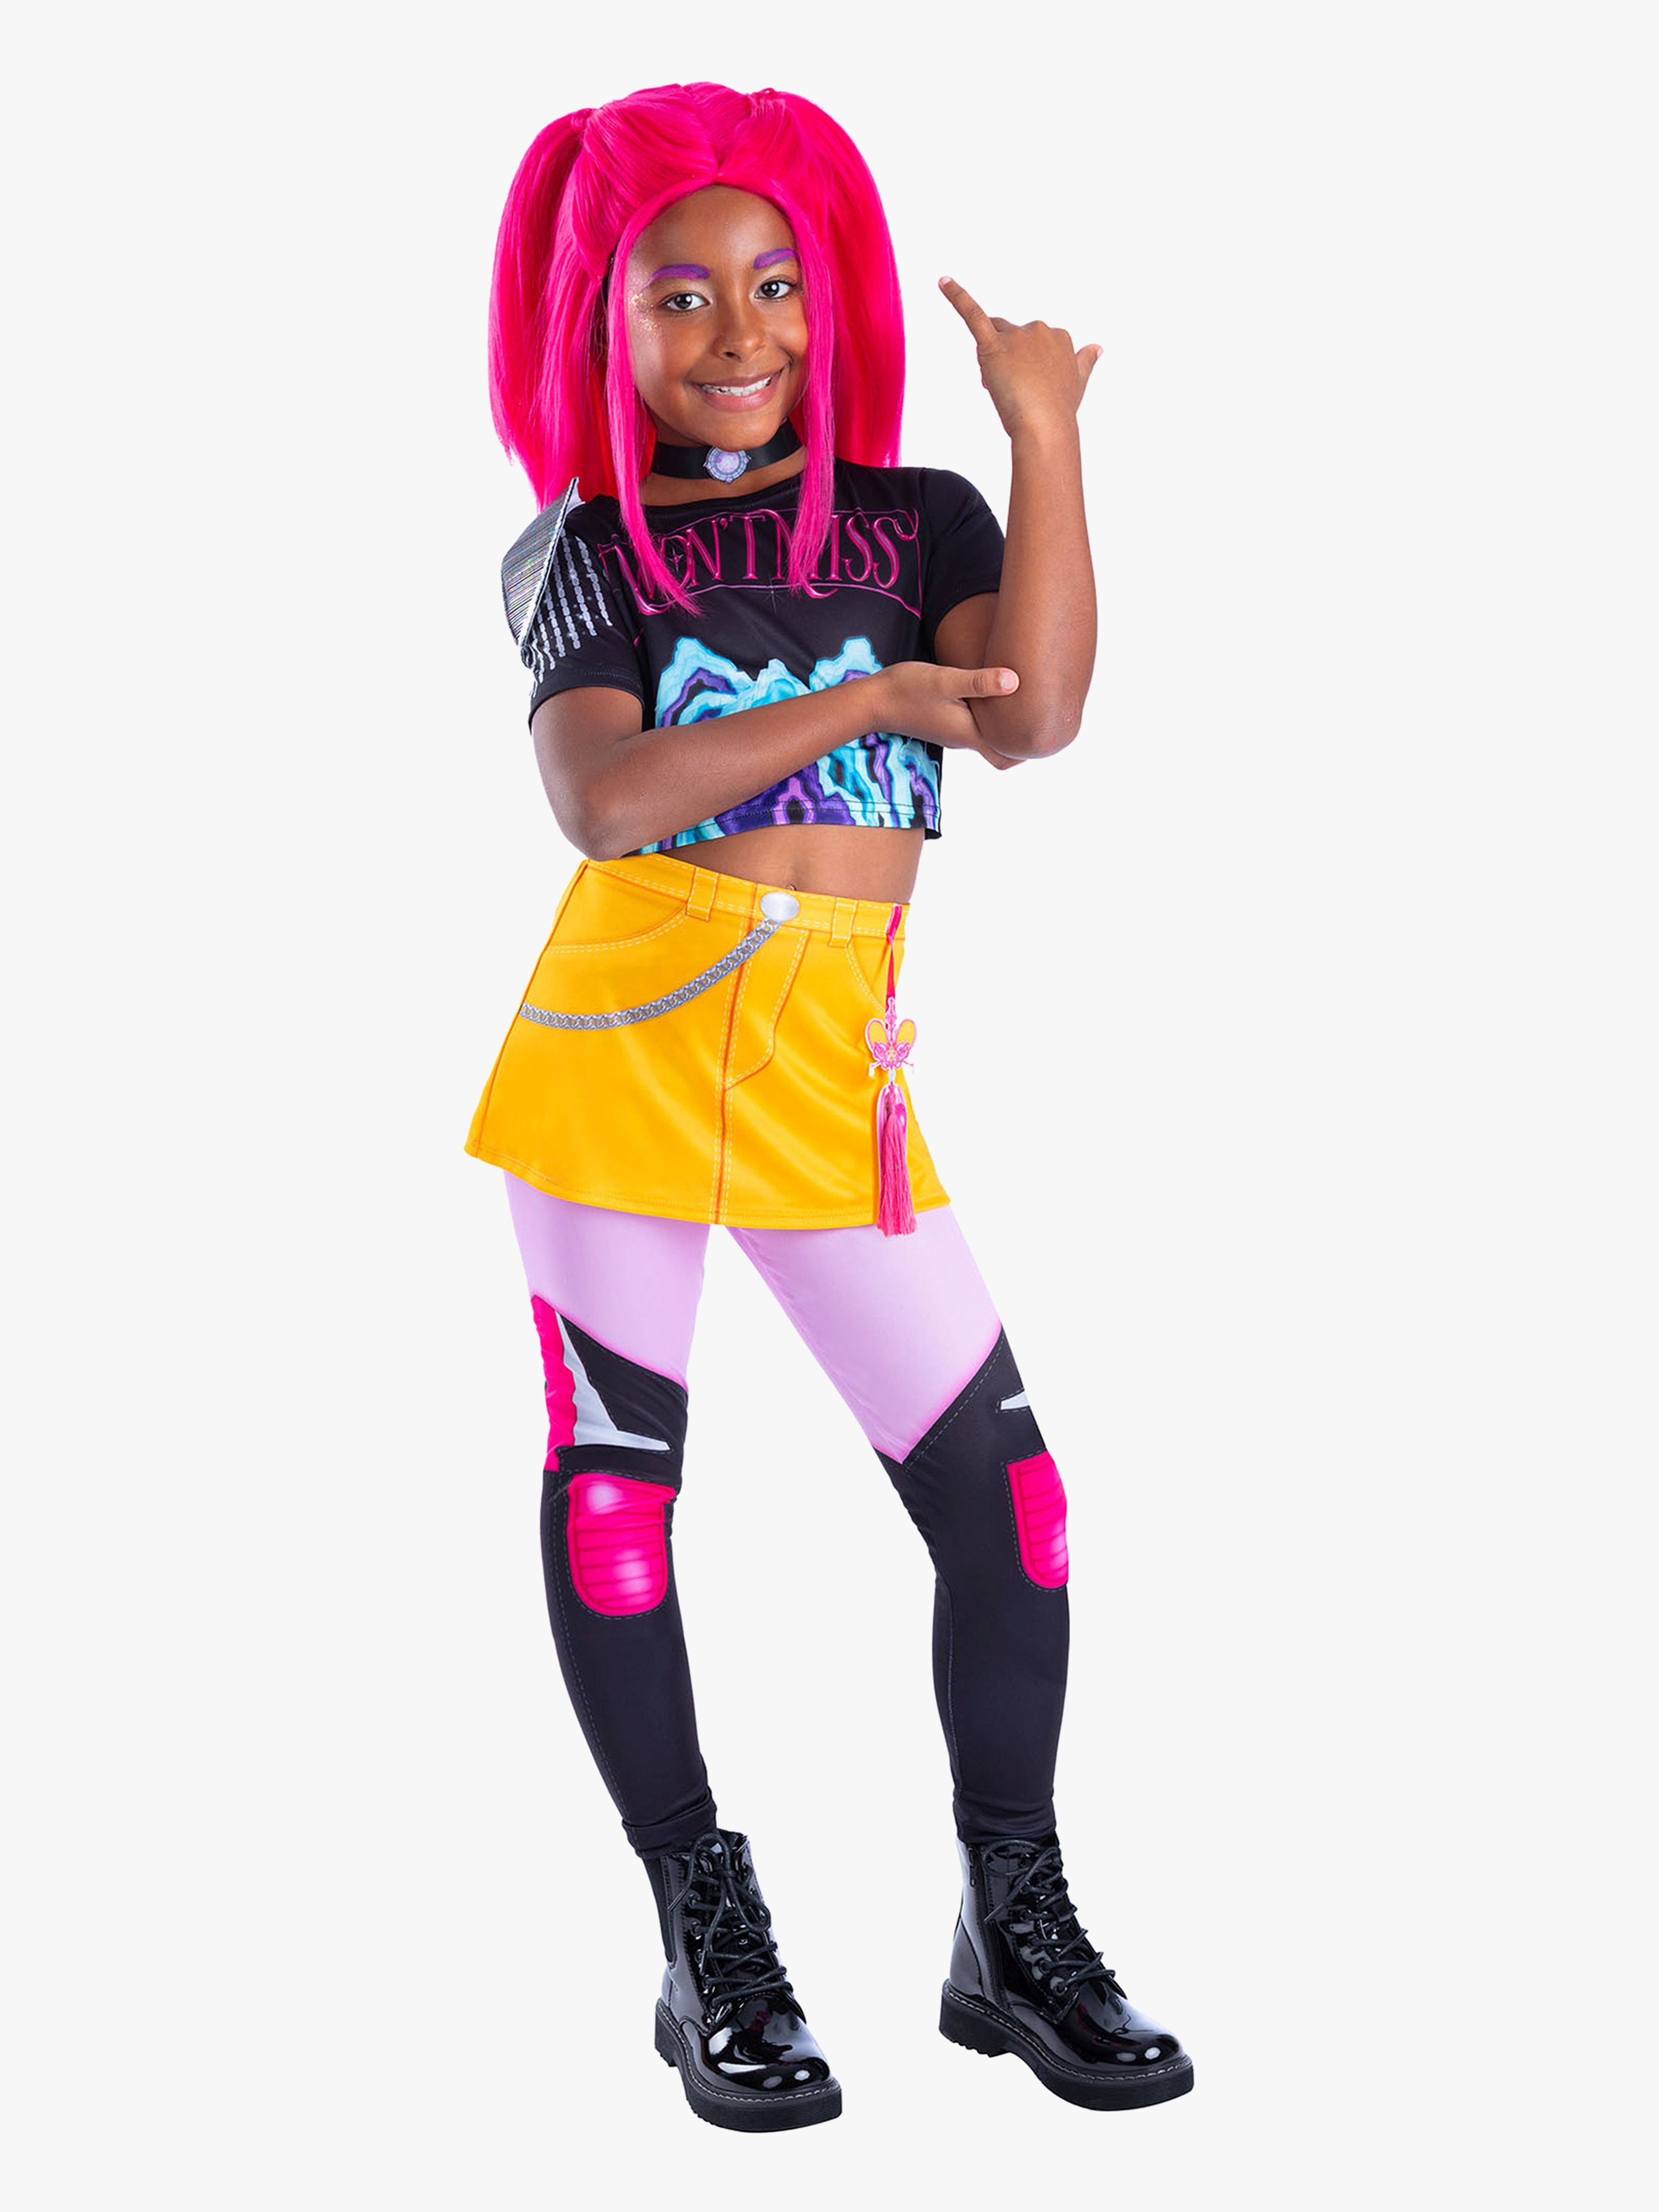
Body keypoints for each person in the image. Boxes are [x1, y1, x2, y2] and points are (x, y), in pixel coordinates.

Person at [467, 81, 1192, 2129]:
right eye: (679, 294)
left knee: (1011, 1506)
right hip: (621, 1051)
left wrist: (1043, 433)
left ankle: (1010, 1923)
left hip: (827, 1073)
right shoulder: (583, 548)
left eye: (775, 284)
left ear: (833, 295)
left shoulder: (917, 518)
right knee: (620, 1503)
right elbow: (606, 797)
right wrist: (864, 702)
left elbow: (1038, 715)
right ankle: (706, 1932)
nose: (739, 333)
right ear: (600, 322)